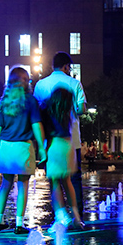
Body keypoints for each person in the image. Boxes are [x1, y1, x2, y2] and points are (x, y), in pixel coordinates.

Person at [0, 66, 47, 234]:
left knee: (5, 184)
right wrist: (42, 147)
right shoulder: (29, 101)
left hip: (5, 147)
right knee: (23, 184)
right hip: (23, 146)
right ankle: (18, 224)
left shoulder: (4, 101)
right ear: (24, 81)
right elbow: (36, 125)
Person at [33, 52, 87, 215]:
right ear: (66, 66)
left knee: (54, 179)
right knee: (74, 178)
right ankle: (78, 215)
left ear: (52, 66)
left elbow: (36, 111)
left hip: (49, 140)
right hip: (71, 138)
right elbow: (81, 109)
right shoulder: (75, 83)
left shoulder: (40, 85)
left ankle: (60, 215)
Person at [42, 88, 85, 230]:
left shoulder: (48, 110)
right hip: (68, 145)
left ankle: (61, 218)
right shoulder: (67, 112)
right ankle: (77, 217)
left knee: (54, 183)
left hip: (54, 145)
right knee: (68, 182)